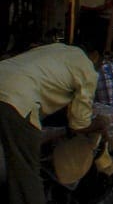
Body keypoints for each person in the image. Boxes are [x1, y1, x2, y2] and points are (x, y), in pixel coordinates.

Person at [0, 41, 107, 204]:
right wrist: (99, 124)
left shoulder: (56, 49)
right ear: (95, 56)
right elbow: (79, 124)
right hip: (16, 98)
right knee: (26, 174)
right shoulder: (86, 67)